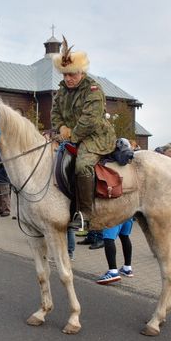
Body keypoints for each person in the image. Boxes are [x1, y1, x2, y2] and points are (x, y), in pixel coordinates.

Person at [51, 37, 116, 228]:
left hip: (96, 137)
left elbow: (90, 120)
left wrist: (72, 135)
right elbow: (55, 113)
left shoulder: (93, 89)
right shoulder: (62, 90)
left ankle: (85, 215)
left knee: (82, 165)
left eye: (72, 74)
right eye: (65, 75)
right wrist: (61, 127)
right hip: (70, 135)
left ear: (81, 71)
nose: (68, 79)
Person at [96, 218, 134, 284]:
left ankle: (113, 272)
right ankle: (127, 268)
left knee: (108, 238)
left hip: (114, 213)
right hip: (128, 213)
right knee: (124, 236)